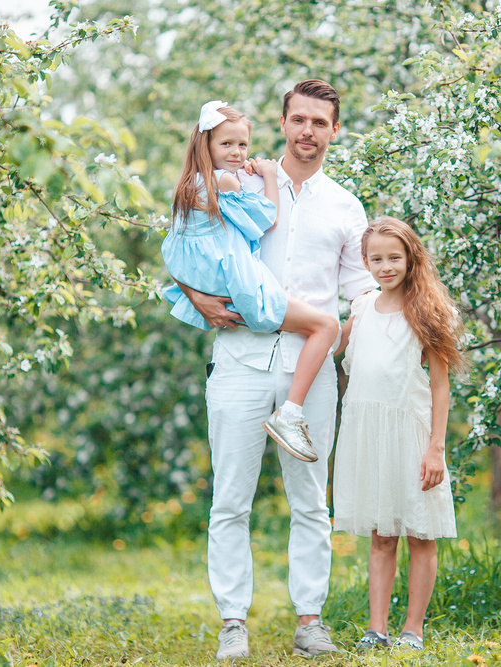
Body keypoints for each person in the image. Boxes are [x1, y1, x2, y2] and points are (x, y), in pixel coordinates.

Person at [172, 81, 377, 660]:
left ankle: (309, 620)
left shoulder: (345, 206)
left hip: (309, 373)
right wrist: (197, 298)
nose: (308, 131)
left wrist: (371, 352)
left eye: (320, 122)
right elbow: (186, 242)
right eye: (299, 119)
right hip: (239, 360)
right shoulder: (235, 184)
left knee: (311, 501)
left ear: (335, 130)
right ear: (283, 123)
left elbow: (360, 291)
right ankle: (232, 622)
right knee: (230, 499)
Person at [161, 101, 340, 463]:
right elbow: (265, 220)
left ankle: (289, 412)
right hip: (246, 290)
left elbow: (176, 252)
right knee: (327, 325)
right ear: (206, 145)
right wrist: (270, 177)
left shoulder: (190, 187)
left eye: (242, 145)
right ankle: (290, 414)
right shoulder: (225, 181)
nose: (237, 153)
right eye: (226, 144)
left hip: (225, 290)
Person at [332, 216, 465, 652]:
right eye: (376, 258)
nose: (385, 266)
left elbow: (440, 385)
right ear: (365, 262)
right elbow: (333, 347)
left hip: (411, 433)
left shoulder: (428, 311)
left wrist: (435, 449)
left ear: (411, 257)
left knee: (420, 533)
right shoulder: (362, 308)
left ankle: (413, 629)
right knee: (381, 534)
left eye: (394, 257)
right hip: (367, 434)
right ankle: (377, 629)